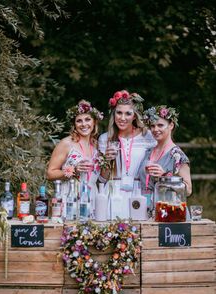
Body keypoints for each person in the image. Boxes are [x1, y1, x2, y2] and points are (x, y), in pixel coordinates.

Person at [98, 89, 156, 218]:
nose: (122, 118)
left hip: (139, 191)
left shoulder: (147, 137)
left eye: (128, 113)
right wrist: (106, 160)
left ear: (134, 116)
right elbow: (102, 179)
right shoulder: (105, 139)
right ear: (114, 114)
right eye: (119, 113)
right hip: (113, 193)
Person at [47, 99, 104, 215]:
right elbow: (50, 174)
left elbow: (101, 177)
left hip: (92, 198)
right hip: (70, 197)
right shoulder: (66, 143)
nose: (84, 124)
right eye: (79, 121)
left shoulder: (97, 146)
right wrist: (74, 170)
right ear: (74, 125)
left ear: (94, 122)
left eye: (88, 119)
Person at [138, 105, 192, 209]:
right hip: (146, 211)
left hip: (170, 213)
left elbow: (188, 190)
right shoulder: (148, 152)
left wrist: (165, 176)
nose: (155, 129)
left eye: (160, 125)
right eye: (152, 126)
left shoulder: (177, 155)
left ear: (171, 125)